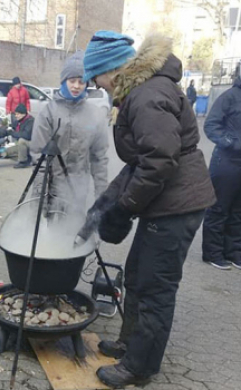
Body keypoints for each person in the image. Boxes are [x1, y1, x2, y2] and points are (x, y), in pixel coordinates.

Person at [80, 31, 216, 388]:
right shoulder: (142, 91)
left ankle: (139, 367)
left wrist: (124, 209)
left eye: (97, 77)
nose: (99, 85)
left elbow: (159, 163)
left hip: (177, 205)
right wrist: (106, 202)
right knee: (137, 274)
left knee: (156, 287)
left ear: (112, 70)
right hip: (166, 202)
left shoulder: (146, 95)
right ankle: (130, 345)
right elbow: (142, 162)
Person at [30, 50, 109, 211]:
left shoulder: (95, 115)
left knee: (73, 229)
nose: (76, 86)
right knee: (51, 231)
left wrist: (102, 196)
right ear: (64, 80)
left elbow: (99, 159)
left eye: (81, 81)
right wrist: (39, 199)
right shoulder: (49, 113)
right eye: (72, 80)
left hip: (79, 190)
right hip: (52, 188)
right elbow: (39, 160)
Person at [202, 75, 241, 270]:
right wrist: (230, 143)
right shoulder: (229, 97)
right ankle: (212, 253)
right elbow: (210, 125)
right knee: (218, 208)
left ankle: (234, 252)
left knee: (238, 211)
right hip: (226, 162)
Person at [0, 103, 34, 168]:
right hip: (22, 146)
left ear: (23, 114)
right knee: (4, 152)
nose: (16, 116)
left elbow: (26, 135)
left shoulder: (30, 121)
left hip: (32, 144)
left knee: (21, 140)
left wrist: (11, 133)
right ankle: (28, 158)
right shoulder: (18, 121)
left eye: (18, 114)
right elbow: (7, 129)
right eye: (15, 114)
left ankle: (23, 162)